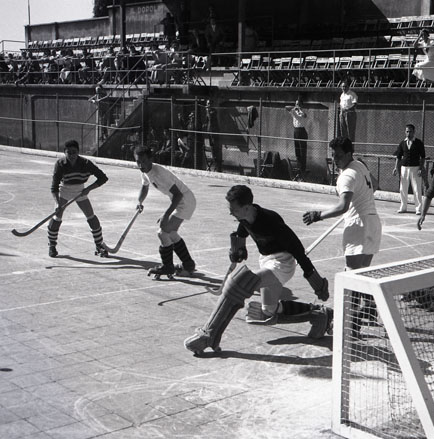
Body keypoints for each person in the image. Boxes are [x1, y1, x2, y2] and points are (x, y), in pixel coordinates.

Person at [184, 185, 331, 355]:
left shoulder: (271, 221)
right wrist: (239, 249)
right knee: (269, 311)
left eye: (234, 210)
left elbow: (299, 252)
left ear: (247, 207)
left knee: (238, 283)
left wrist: (318, 285)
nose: (231, 213)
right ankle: (319, 315)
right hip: (266, 261)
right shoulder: (244, 217)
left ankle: (209, 334)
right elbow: (241, 233)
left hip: (282, 263)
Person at [303, 137, 382, 336]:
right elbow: (375, 185)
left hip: (358, 227)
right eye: (332, 155)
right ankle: (369, 310)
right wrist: (360, 199)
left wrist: (318, 215)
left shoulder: (346, 176)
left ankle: (350, 325)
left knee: (351, 278)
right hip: (373, 223)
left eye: (338, 155)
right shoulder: (360, 165)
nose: (334, 159)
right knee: (362, 274)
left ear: (348, 154)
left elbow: (342, 206)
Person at [134, 146, 197, 277]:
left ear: (150, 159)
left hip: (185, 201)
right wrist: (140, 202)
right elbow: (144, 187)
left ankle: (167, 267)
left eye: (143, 161)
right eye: (138, 162)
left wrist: (166, 215)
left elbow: (178, 195)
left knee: (163, 232)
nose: (141, 165)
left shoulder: (159, 174)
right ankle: (188, 264)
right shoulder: (145, 172)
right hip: (181, 200)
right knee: (171, 233)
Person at [47, 140, 109, 258]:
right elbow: (54, 187)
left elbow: (103, 178)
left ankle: (99, 245)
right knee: (57, 217)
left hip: (81, 191)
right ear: (64, 152)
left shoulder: (86, 163)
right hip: (64, 190)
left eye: (74, 152)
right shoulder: (60, 164)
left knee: (91, 216)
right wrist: (58, 203)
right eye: (69, 152)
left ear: (78, 152)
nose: (71, 155)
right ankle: (52, 246)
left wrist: (88, 189)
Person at [393, 124, 426, 215]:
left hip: (415, 168)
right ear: (405, 132)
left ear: (414, 132)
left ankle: (418, 208)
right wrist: (395, 167)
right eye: (407, 131)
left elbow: (423, 157)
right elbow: (398, 157)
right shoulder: (402, 143)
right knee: (403, 188)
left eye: (410, 131)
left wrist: (420, 168)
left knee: (417, 188)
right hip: (404, 168)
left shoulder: (418, 143)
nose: (408, 133)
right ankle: (403, 207)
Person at [285, 98, 308, 177]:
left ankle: (303, 169)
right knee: (297, 150)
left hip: (302, 131)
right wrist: (295, 107)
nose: (297, 105)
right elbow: (286, 107)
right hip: (296, 131)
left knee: (302, 151)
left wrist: (300, 109)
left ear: (302, 105)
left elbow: (304, 116)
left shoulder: (303, 111)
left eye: (298, 104)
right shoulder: (294, 111)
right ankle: (298, 168)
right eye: (296, 103)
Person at [204, 100, 222, 172]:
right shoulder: (207, 111)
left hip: (214, 131)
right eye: (208, 103)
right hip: (209, 131)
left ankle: (217, 166)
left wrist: (207, 111)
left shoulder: (213, 111)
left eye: (210, 103)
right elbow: (207, 120)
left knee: (215, 148)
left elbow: (211, 119)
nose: (209, 105)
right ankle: (212, 163)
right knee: (211, 147)